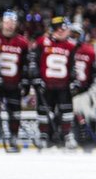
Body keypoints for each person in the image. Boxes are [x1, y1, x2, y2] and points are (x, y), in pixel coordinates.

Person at [29, 16, 78, 149]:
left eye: (64, 29)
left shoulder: (71, 45)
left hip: (64, 85)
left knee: (66, 111)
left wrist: (74, 80)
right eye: (59, 29)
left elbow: (73, 66)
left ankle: (67, 135)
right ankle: (43, 135)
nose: (62, 31)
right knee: (44, 112)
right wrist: (35, 77)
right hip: (46, 85)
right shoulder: (42, 42)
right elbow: (33, 61)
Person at [0, 10, 31, 152]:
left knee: (15, 113)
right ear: (2, 23)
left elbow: (26, 64)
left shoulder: (22, 42)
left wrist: (26, 82)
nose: (10, 26)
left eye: (12, 23)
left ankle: (13, 138)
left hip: (14, 83)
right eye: (7, 22)